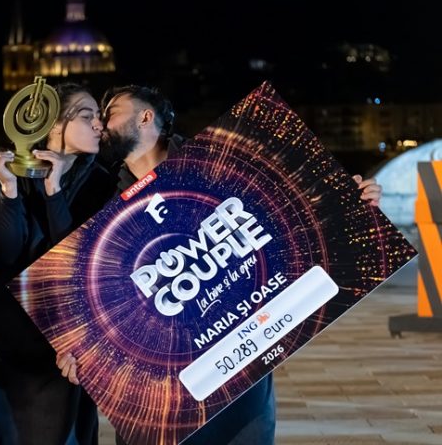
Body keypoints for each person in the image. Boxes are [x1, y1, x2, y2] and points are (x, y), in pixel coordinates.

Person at [59, 84, 382, 444]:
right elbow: (92, 292)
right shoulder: (103, 200)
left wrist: (350, 204)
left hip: (237, 373)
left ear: (146, 117)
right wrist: (78, 349)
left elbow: (287, 221)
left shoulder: (217, 167)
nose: (102, 123)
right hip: (163, 389)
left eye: (112, 112)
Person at [0, 82, 115, 445]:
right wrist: (9, 190)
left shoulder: (100, 183)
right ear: (53, 123)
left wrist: (54, 191)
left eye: (99, 117)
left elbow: (77, 259)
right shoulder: (8, 171)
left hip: (59, 340)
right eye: (86, 116)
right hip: (2, 336)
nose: (98, 125)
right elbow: (6, 253)